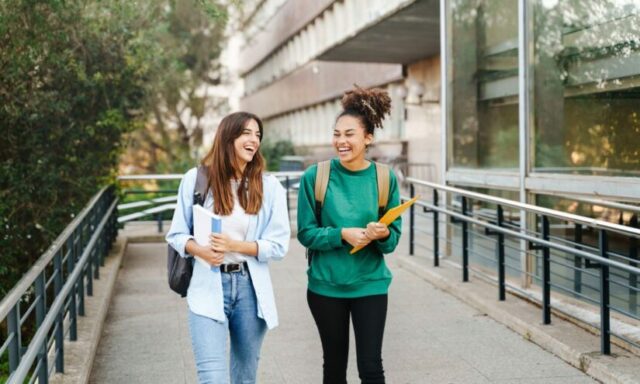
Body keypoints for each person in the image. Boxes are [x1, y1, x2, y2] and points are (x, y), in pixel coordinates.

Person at [166, 111, 290, 384]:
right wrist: (200, 250)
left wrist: (236, 245)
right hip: (207, 286)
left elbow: (279, 246)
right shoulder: (196, 179)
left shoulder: (269, 186)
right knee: (212, 378)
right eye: (246, 132)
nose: (254, 139)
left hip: (250, 289)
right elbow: (176, 235)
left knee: (244, 378)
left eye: (258, 134)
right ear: (228, 137)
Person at [297, 86, 402, 384]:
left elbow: (392, 241)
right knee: (333, 369)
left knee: (371, 368)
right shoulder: (315, 177)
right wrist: (342, 234)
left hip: (370, 285)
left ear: (368, 137)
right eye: (337, 134)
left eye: (349, 134)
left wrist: (381, 234)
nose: (341, 141)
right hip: (325, 287)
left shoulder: (384, 178)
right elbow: (306, 233)